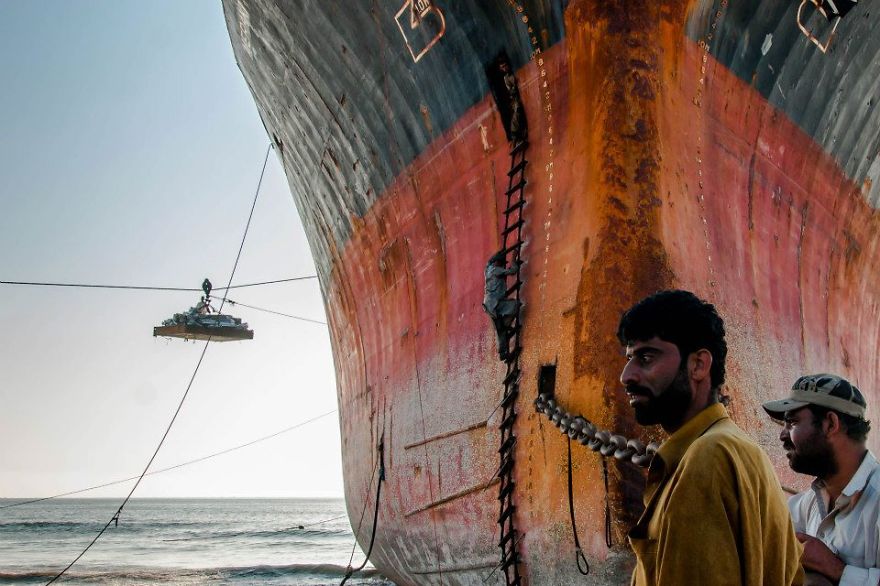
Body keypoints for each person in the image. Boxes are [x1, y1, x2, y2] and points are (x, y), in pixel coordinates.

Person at [618, 290, 803, 585]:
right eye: (629, 358)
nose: (626, 375)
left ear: (698, 365)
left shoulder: (708, 457)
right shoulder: (741, 448)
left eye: (646, 357)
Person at [763, 374, 879, 585]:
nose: (782, 435)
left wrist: (836, 569)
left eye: (792, 422)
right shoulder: (804, 506)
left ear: (830, 424)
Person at [483, 252, 519, 360]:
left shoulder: (488, 269)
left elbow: (488, 262)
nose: (502, 265)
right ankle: (506, 323)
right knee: (515, 305)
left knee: (500, 328)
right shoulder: (496, 269)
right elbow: (513, 271)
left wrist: (497, 255)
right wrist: (513, 259)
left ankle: (502, 352)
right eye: (501, 263)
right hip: (495, 304)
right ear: (498, 263)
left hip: (489, 305)